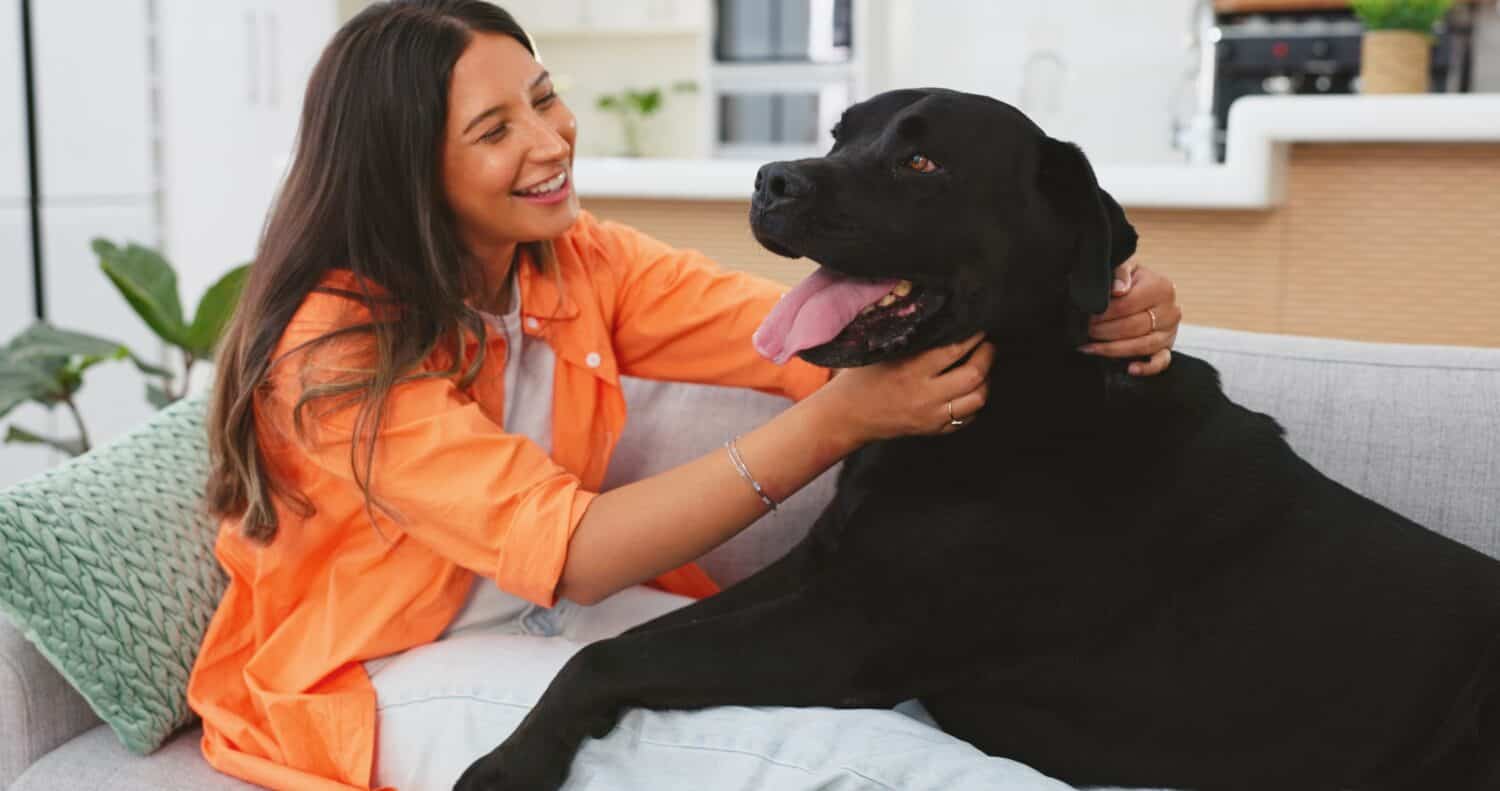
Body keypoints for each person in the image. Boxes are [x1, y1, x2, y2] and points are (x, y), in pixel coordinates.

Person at [187, 2, 1185, 789]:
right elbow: (575, 554)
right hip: (383, 673)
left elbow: (819, 337)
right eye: (496, 128)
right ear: (406, 172)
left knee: (899, 710)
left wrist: (1104, 299)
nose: (550, 140)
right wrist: (836, 424)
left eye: (543, 96)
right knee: (873, 769)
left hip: (547, 628)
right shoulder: (335, 346)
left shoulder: (577, 263)